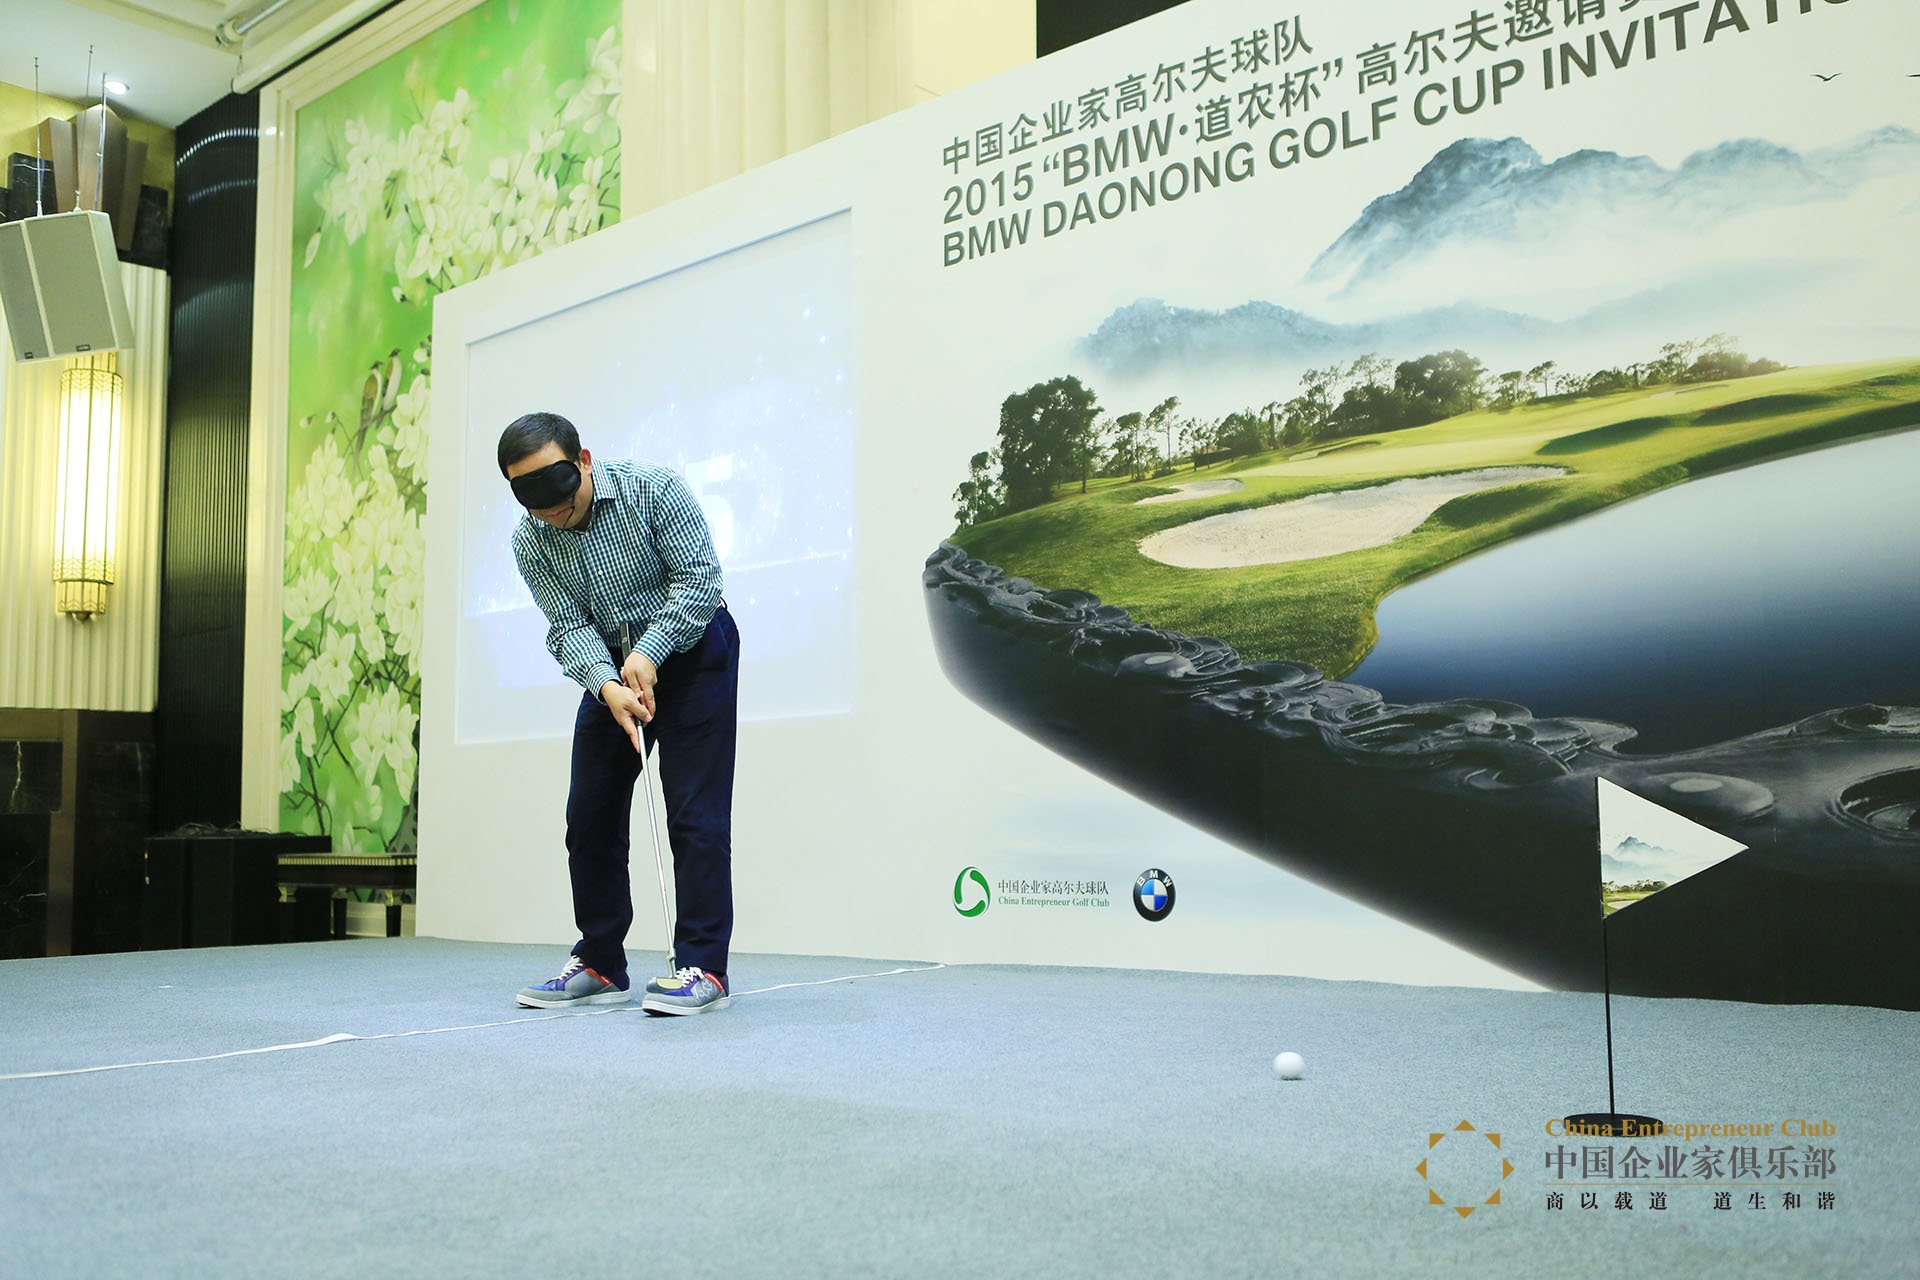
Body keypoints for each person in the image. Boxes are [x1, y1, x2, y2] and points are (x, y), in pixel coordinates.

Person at [497, 411, 739, 1015]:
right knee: (590, 816)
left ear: (583, 461)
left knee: (695, 815)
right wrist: (607, 683)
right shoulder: (531, 540)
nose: (549, 508)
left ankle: (703, 967)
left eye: (555, 485)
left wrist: (650, 653)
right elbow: (567, 626)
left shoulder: (652, 490)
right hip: (611, 671)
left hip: (694, 649)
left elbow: (699, 581)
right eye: (529, 495)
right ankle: (601, 963)